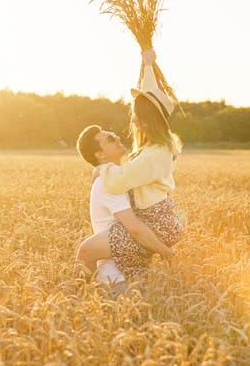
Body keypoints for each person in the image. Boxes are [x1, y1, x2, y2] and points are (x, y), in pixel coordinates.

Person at [75, 48, 184, 281]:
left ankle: (80, 295)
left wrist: (101, 168)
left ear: (149, 119)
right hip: (157, 220)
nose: (133, 119)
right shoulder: (153, 144)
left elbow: (118, 180)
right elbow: (148, 94)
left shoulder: (154, 154)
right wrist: (147, 66)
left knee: (86, 251)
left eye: (138, 115)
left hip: (156, 223)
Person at [76, 124, 175, 292]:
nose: (117, 139)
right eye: (110, 139)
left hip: (132, 276)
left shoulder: (117, 177)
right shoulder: (108, 184)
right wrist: (165, 252)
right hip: (115, 281)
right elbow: (134, 228)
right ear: (100, 154)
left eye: (114, 135)